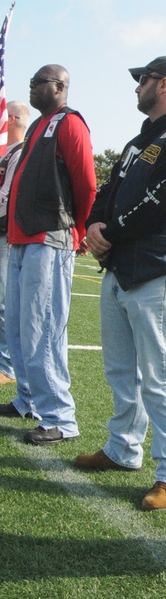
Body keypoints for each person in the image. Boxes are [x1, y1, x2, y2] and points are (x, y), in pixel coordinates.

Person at [74, 57, 166, 511]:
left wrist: (109, 233)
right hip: (120, 270)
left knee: (158, 377)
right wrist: (95, 222)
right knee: (120, 371)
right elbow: (109, 190)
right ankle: (122, 449)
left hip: (157, 273)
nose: (136, 89)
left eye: (143, 81)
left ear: (165, 84)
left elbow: (164, 202)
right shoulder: (141, 141)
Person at [2, 66, 96, 442]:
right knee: (17, 328)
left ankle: (60, 417)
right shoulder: (40, 127)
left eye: (38, 82)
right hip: (21, 239)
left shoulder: (69, 123)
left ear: (59, 87)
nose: (32, 87)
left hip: (50, 238)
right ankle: (28, 399)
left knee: (42, 329)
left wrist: (83, 229)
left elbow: (86, 181)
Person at [0, 101, 31, 390]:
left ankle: (5, 366)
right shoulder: (6, 153)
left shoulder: (19, 153)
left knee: (3, 303)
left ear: (9, 119)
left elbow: (6, 199)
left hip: (5, 237)